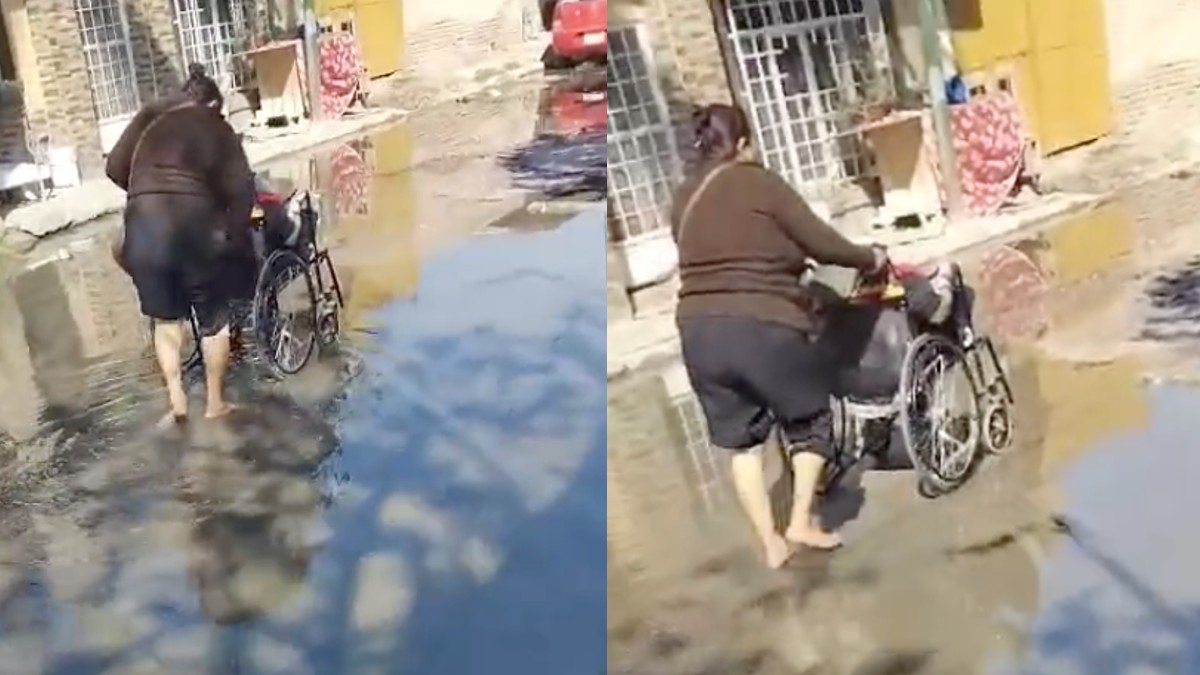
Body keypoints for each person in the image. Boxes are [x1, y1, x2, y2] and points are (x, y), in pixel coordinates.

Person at [671, 104, 888, 569]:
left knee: (742, 443)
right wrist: (868, 257)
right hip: (761, 324)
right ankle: (802, 522)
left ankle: (770, 544)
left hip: (697, 332)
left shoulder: (683, 197)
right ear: (744, 143)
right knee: (811, 419)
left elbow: (715, 252)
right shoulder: (758, 181)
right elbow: (821, 241)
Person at [106, 63, 255, 424]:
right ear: (212, 105)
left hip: (143, 225)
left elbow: (113, 167)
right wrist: (231, 237)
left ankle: (177, 403)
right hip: (194, 226)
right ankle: (215, 404)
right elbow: (242, 189)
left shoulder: (151, 113)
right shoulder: (214, 125)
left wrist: (148, 188)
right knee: (213, 321)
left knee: (165, 319)